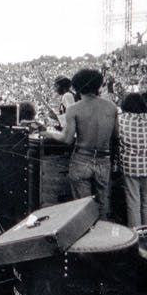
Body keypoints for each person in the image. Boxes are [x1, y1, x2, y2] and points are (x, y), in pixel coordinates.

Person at [42, 68, 118, 219]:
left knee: (82, 207)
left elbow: (67, 139)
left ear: (76, 87)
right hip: (104, 160)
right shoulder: (112, 107)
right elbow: (116, 136)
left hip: (81, 159)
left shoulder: (74, 109)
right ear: (99, 85)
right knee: (103, 204)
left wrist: (48, 133)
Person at [117, 93, 147, 228]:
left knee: (133, 203)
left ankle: (136, 237)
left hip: (130, 166)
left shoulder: (122, 119)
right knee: (146, 202)